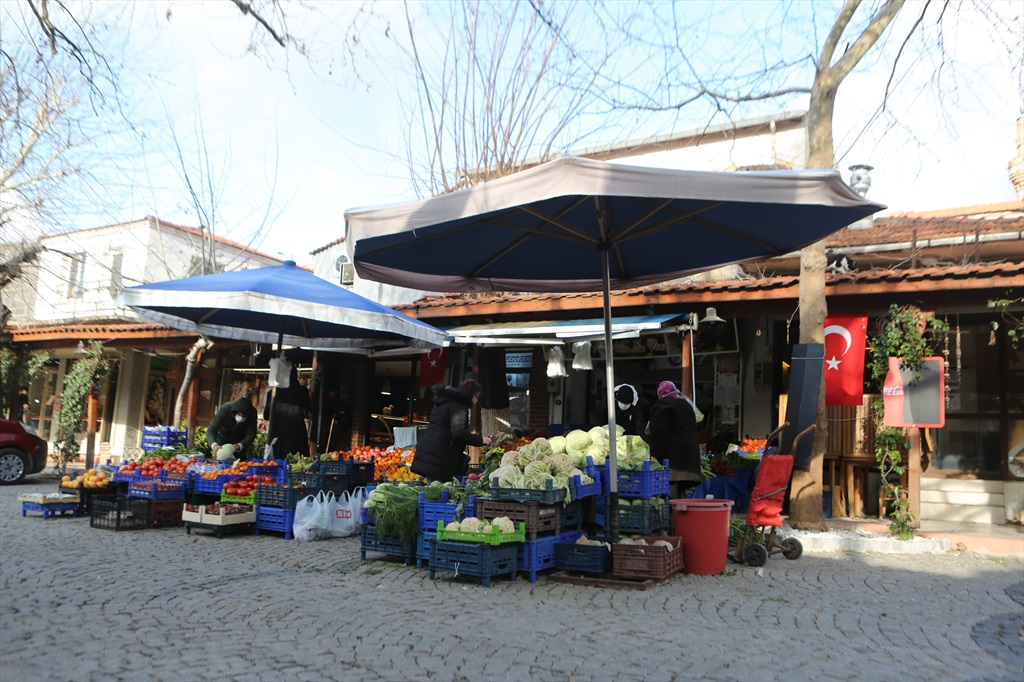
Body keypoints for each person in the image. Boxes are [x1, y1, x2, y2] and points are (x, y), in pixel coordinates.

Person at [412, 379, 492, 482]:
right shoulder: (458, 406)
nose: (476, 400)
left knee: (432, 489)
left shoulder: (444, 402)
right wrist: (481, 440)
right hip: (440, 456)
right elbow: (458, 433)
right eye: (476, 396)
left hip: (432, 451)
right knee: (438, 492)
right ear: (470, 394)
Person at [645, 380, 702, 498]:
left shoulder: (662, 405)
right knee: (680, 490)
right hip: (690, 457)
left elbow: (659, 432)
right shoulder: (686, 405)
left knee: (671, 489)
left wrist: (654, 453)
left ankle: (673, 513)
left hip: (674, 458)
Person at [263, 365, 312, 459]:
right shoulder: (302, 391)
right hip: (297, 437)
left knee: (277, 466)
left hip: (277, 438)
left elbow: (266, 415)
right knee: (296, 466)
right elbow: (309, 413)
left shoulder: (273, 392)